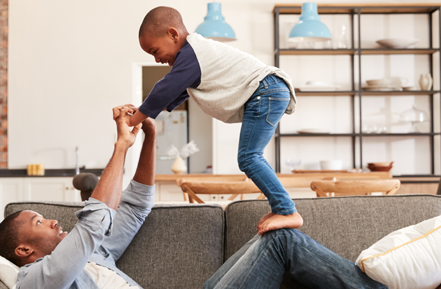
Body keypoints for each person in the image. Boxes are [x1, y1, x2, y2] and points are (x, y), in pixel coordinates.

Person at [0, 106, 441, 289]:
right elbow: (93, 223)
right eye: (39, 221)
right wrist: (120, 145)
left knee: (275, 235)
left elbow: (134, 206)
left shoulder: (88, 257)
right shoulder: (38, 284)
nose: (52, 219)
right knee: (282, 240)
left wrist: (151, 138)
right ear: (25, 253)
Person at [114, 6, 302, 235]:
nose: (156, 59)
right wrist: (140, 111)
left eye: (155, 50)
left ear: (173, 34)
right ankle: (281, 208)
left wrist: (133, 120)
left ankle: (287, 210)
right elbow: (177, 93)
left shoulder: (193, 52)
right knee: (250, 157)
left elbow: (164, 89)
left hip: (266, 90)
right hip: (268, 91)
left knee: (249, 158)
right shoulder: (193, 59)